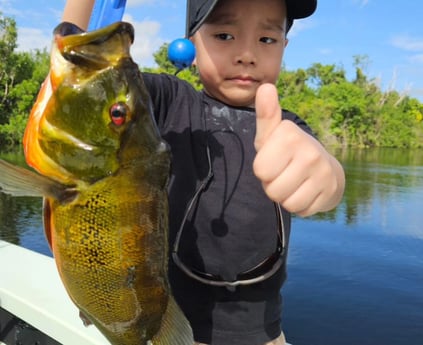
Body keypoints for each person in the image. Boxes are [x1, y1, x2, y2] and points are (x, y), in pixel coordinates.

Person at [60, 0, 345, 344]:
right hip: (170, 324)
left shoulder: (289, 128)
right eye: (225, 35)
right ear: (191, 46)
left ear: (284, 47)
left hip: (266, 335)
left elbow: (329, 179)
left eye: (266, 40)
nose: (246, 54)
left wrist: (329, 180)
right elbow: (86, 76)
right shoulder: (169, 101)